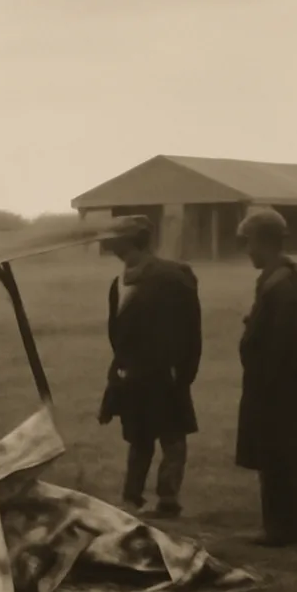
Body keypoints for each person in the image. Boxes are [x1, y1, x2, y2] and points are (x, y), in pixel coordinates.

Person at [98, 215, 202, 518]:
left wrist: (182, 373)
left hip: (164, 374)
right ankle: (132, 498)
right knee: (139, 437)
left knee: (172, 438)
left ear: (129, 241)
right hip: (132, 375)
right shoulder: (119, 281)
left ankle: (168, 500)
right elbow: (118, 335)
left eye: (116, 240)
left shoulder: (173, 277)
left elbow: (189, 329)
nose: (112, 245)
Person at [234, 208, 297, 547]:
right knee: (277, 457)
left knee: (276, 458)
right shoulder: (287, 276)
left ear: (262, 240)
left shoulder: (281, 282)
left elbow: (283, 341)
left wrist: (266, 380)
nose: (247, 251)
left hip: (275, 385)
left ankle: (282, 528)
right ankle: (284, 525)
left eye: (249, 243)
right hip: (280, 382)